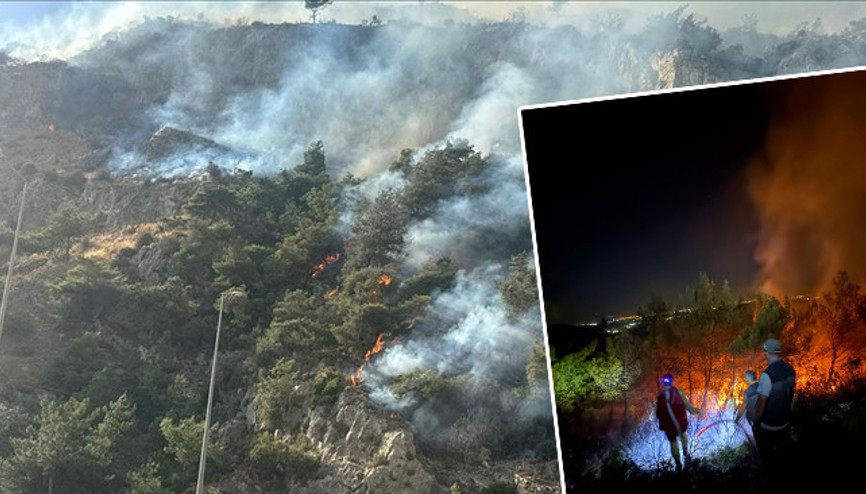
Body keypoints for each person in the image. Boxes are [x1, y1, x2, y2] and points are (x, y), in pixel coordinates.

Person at [753, 338, 796, 475]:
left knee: (768, 459)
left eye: (764, 351)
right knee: (783, 456)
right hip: (785, 422)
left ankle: (769, 477)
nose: (764, 353)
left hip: (769, 427)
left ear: (768, 352)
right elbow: (790, 395)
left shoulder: (767, 375)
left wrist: (756, 421)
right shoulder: (790, 369)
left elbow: (761, 403)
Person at [656, 373, 701, 471]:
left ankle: (678, 463)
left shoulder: (660, 396)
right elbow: (686, 405)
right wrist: (696, 411)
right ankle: (686, 455)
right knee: (684, 436)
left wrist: (662, 425)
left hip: (669, 426)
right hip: (680, 423)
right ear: (672, 381)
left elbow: (658, 414)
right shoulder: (678, 392)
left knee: (673, 443)